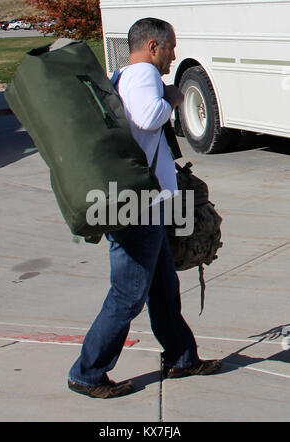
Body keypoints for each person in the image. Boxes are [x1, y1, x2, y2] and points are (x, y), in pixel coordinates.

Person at [68, 17, 222, 399]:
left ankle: (183, 357)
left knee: (164, 288)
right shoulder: (144, 77)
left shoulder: (124, 74)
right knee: (127, 295)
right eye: (170, 47)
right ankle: (87, 372)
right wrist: (172, 98)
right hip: (138, 208)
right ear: (153, 46)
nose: (173, 56)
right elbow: (146, 118)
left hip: (141, 204)